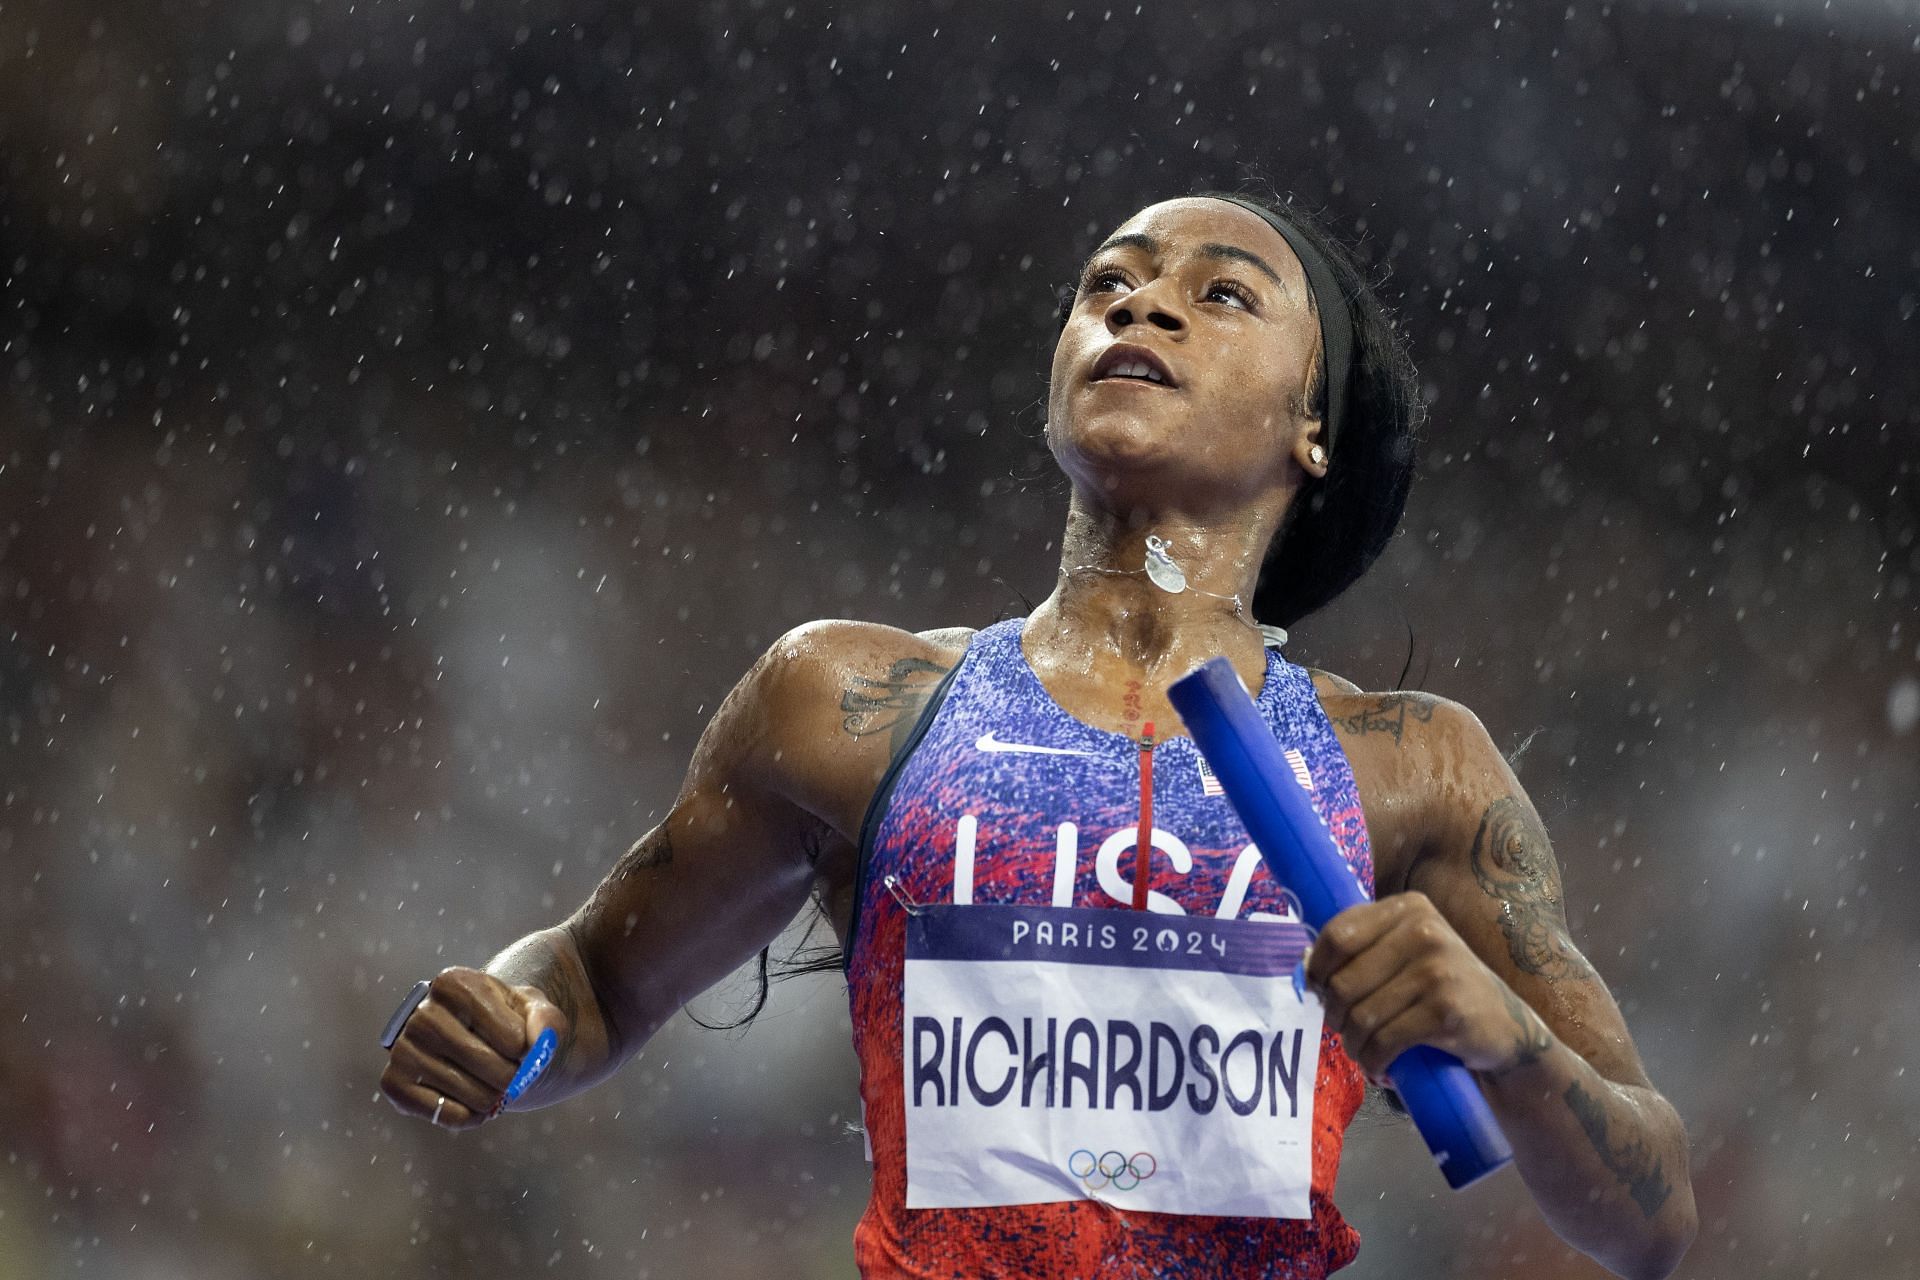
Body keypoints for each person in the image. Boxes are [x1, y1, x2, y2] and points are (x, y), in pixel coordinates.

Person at [376, 191, 1697, 1279]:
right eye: (1108, 283)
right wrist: (519, 1024)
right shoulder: (840, 704)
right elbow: (598, 984)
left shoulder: (1412, 769)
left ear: (1312, 429)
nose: (1144, 300)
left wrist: (1506, 1042)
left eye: (1221, 291)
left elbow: (1651, 1222)